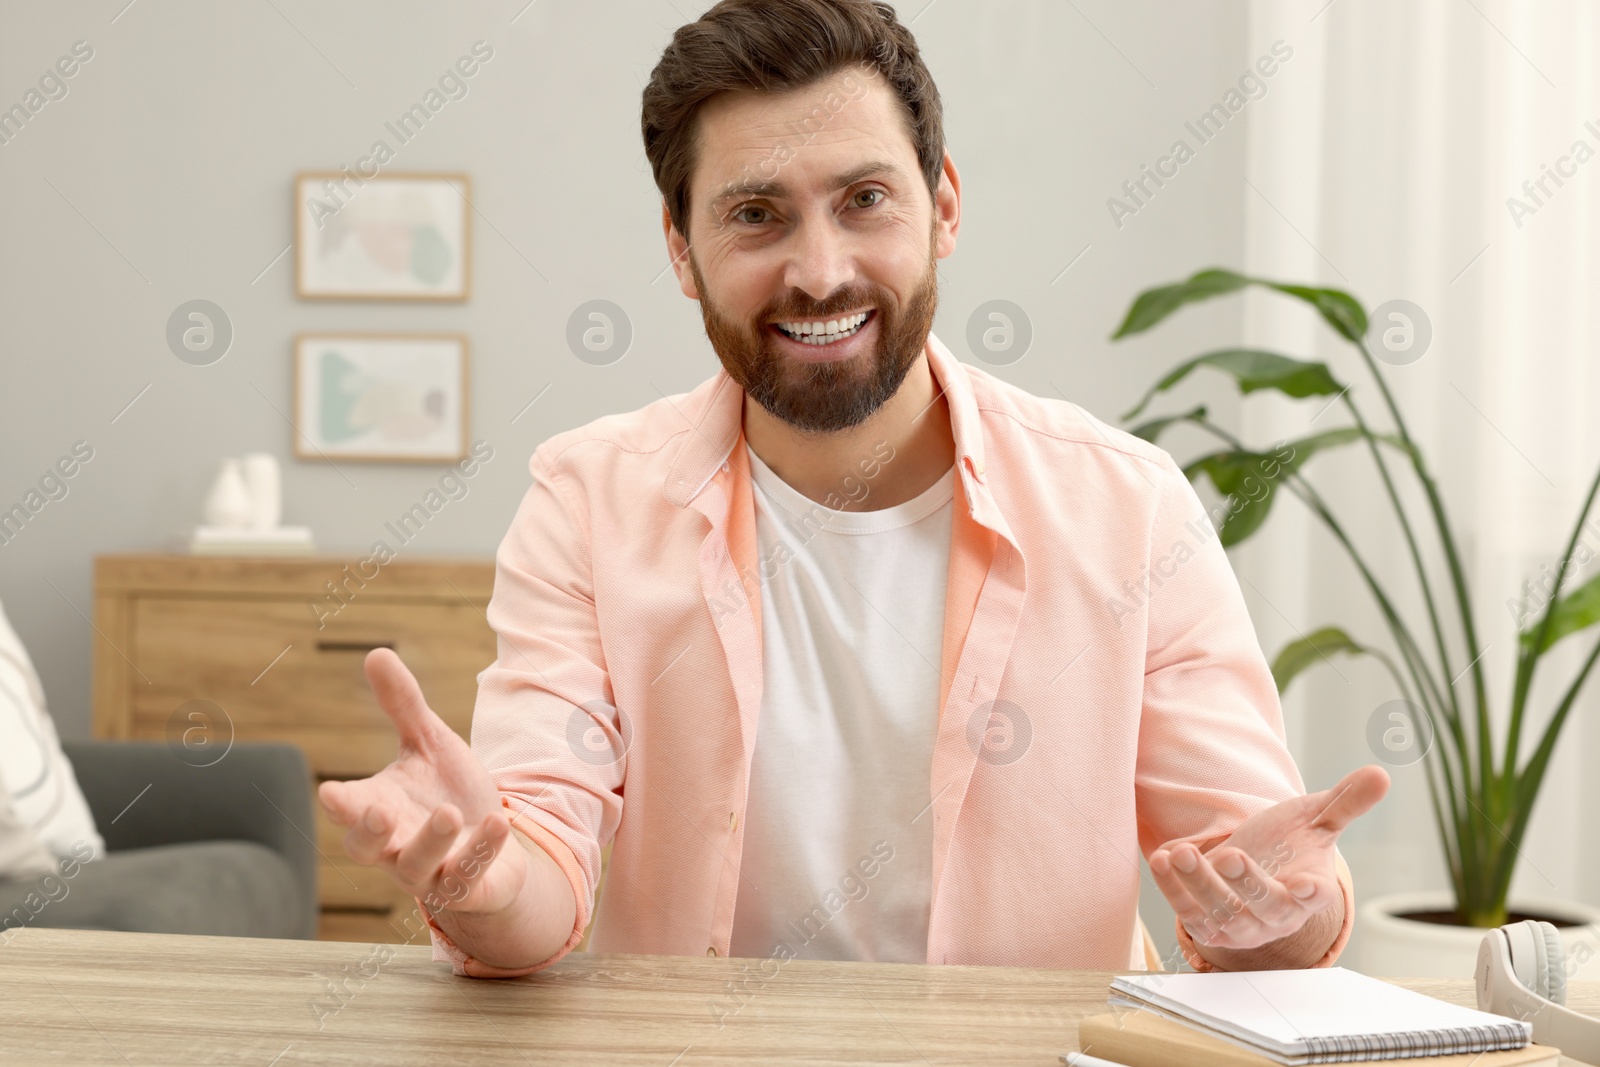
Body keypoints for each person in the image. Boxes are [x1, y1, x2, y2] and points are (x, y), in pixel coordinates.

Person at [317, 0, 1390, 979]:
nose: (820, 270)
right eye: (755, 214)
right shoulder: (587, 501)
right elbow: (535, 875)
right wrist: (482, 876)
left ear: (944, 206)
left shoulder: (1129, 506)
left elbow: (1266, 887)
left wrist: (1275, 916)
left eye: (864, 199)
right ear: (681, 249)